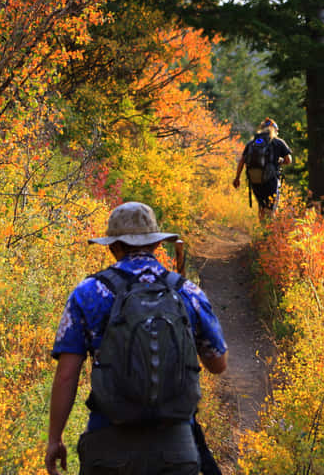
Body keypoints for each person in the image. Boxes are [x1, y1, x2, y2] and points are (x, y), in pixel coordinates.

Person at [45, 201, 228, 475]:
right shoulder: (186, 291)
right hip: (175, 447)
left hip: (107, 445)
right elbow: (218, 363)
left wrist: (55, 439)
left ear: (113, 246)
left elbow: (66, 376)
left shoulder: (88, 292)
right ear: (155, 244)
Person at [232, 117, 292, 221]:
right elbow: (288, 160)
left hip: (255, 180)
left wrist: (237, 178)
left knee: (262, 207)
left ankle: (262, 230)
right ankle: (269, 234)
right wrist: (280, 161)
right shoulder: (278, 142)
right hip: (271, 180)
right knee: (271, 209)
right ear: (274, 129)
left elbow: (242, 161)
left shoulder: (252, 143)